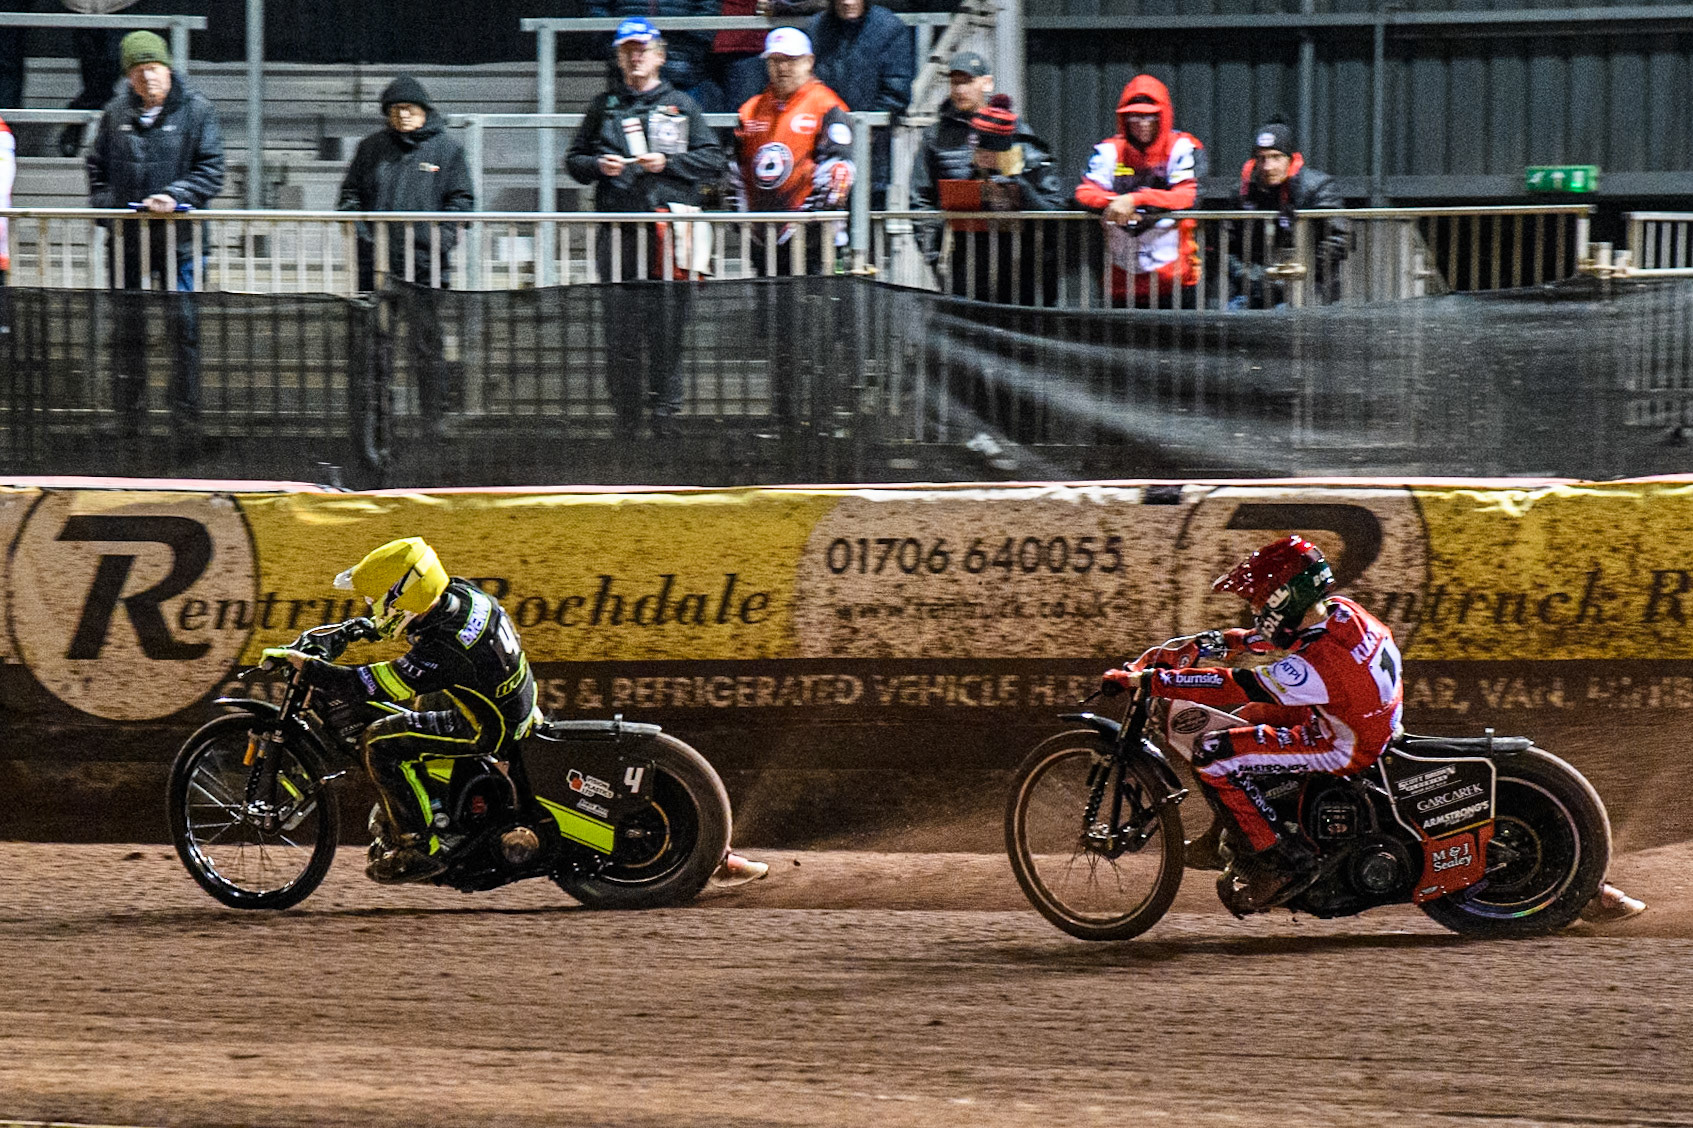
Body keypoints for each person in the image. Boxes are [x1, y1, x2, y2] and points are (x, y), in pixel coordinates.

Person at [263, 537, 767, 888]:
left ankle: (422, 845)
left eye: (377, 598)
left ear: (403, 594)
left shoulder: (443, 648)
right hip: (513, 701)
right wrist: (351, 631)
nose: (372, 605)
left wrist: (310, 668)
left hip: (486, 726)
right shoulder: (459, 594)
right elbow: (397, 625)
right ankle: (440, 803)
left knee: (381, 740)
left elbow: (370, 683)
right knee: (415, 709)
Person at [1102, 536, 1400, 913]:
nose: (1255, 608)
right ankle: (1229, 833)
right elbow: (1268, 641)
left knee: (1213, 753)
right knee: (1243, 722)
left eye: (1258, 599)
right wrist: (1208, 644)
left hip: (1345, 744)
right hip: (1360, 715)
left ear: (1283, 597)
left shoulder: (1319, 665)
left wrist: (1147, 681)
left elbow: (1232, 685)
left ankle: (1279, 862)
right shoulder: (1341, 612)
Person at [566, 17, 723, 439]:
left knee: (668, 327)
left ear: (660, 56)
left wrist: (668, 163)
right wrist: (597, 165)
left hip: (669, 233)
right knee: (620, 331)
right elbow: (574, 161)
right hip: (618, 233)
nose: (635, 57)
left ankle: (665, 415)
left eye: (642, 50)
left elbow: (713, 159)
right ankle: (627, 417)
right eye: (627, 51)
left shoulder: (682, 104)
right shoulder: (603, 106)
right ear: (619, 58)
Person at [86, 29, 224, 429]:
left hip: (181, 241)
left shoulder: (197, 111)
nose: (147, 76)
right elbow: (96, 169)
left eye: (153, 67)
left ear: (167, 68)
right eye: (138, 70)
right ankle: (128, 416)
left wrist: (174, 196)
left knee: (183, 327)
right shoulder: (114, 114)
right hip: (127, 239)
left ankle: (185, 417)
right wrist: (111, 210)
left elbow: (211, 170)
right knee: (126, 328)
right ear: (128, 77)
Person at [337, 74, 474, 434]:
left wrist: (441, 240)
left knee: (427, 345)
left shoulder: (448, 150)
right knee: (374, 348)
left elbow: (462, 201)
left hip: (425, 268)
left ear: (424, 110)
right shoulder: (370, 149)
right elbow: (350, 196)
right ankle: (377, 422)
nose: (402, 115)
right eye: (395, 110)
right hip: (374, 266)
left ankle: (434, 420)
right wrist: (362, 234)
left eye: (408, 108)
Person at [915, 91, 1065, 304]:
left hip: (1027, 278)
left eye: (988, 153)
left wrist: (1020, 188)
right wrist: (936, 256)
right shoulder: (972, 170)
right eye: (977, 150)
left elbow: (1056, 215)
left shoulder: (1033, 160)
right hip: (972, 279)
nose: (980, 157)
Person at [1074, 74, 1205, 308]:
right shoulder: (1109, 150)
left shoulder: (1182, 147)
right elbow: (1085, 193)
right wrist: (1115, 203)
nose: (1142, 123)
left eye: (1150, 116)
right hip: (1121, 281)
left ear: (1162, 116)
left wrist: (1134, 200)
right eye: (1134, 116)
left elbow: (1188, 196)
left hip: (1176, 279)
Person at [731, 26, 855, 273]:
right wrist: (743, 221)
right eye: (775, 60)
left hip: (814, 243)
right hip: (762, 238)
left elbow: (839, 170)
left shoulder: (827, 106)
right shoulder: (750, 110)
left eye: (791, 60)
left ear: (809, 61)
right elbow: (735, 171)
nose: (782, 68)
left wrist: (808, 226)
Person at [1229, 118, 1350, 308]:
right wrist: (1254, 280)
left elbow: (1338, 238)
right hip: (1255, 289)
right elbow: (1228, 248)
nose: (1267, 166)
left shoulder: (1316, 187)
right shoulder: (1243, 192)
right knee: (1233, 315)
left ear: (1291, 159)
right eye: (1261, 158)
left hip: (1309, 287)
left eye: (1276, 157)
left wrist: (1300, 272)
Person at [808, 0, 912, 209]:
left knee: (869, 213)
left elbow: (897, 92)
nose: (848, 2)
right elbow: (806, 85)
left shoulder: (889, 28)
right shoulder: (816, 28)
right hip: (823, 151)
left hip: (872, 151)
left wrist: (862, 131)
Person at [586, 0, 715, 108]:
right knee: (622, 126)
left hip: (683, 70)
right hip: (628, 78)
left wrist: (691, 51)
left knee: (684, 125)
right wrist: (616, 50)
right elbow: (597, 9)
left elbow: (708, 8)